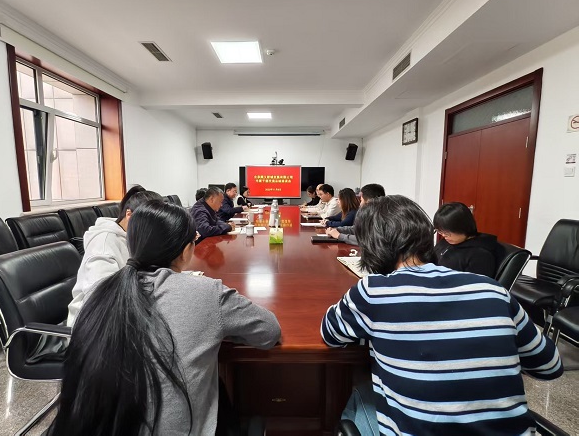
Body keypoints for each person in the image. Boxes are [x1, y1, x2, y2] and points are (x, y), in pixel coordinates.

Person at [321, 196, 562, 436]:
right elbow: (550, 365)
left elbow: (330, 333)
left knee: (359, 391)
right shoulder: (492, 289)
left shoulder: (372, 291)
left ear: (371, 247)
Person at [49, 201, 281, 436]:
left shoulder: (99, 292)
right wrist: (219, 329)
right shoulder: (206, 293)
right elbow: (269, 331)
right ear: (186, 251)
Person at [67, 185, 162, 327]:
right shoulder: (104, 244)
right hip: (94, 324)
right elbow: (101, 299)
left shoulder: (132, 235)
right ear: (129, 215)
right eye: (148, 225)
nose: (151, 232)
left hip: (127, 309)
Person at [433, 201, 499, 278]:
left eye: (447, 232)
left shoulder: (480, 255)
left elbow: (474, 283)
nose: (444, 235)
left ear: (462, 227)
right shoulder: (447, 241)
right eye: (440, 231)